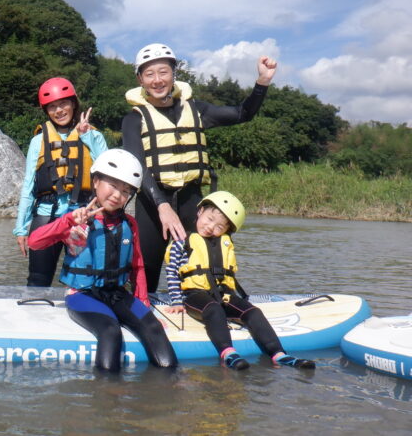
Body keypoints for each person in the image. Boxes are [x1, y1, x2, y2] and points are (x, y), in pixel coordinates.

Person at [122, 43, 277, 293]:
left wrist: (262, 82)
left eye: (163, 72)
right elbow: (137, 165)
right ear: (140, 79)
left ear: (174, 74)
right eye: (149, 74)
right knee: (146, 270)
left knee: (200, 268)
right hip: (152, 204)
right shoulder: (133, 119)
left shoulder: (197, 110)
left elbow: (242, 113)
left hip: (190, 201)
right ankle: (143, 313)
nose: (157, 80)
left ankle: (204, 309)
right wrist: (162, 206)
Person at [28, 149, 178, 372]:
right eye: (114, 185)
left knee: (153, 328)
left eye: (126, 191)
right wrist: (68, 221)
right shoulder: (75, 218)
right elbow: (34, 242)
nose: (118, 195)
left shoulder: (129, 225)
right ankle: (107, 396)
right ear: (96, 181)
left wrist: (144, 308)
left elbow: (137, 267)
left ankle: (170, 391)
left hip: (118, 294)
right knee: (110, 331)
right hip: (82, 296)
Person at [164, 191, 315, 370]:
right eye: (210, 219)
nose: (211, 227)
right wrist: (176, 301)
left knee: (253, 312)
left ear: (227, 230)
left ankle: (279, 354)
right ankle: (228, 353)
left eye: (220, 227)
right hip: (195, 296)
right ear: (200, 211)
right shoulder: (182, 241)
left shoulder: (224, 243)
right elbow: (172, 272)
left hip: (224, 295)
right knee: (213, 309)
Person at [14, 77, 108, 287]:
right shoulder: (38, 141)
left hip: (82, 217)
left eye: (63, 103)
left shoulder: (94, 135)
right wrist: (21, 228)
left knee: (82, 280)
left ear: (73, 104)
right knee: (38, 279)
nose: (59, 110)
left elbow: (109, 172)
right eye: (52, 107)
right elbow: (29, 185)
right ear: (46, 111)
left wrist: (86, 136)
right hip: (47, 215)